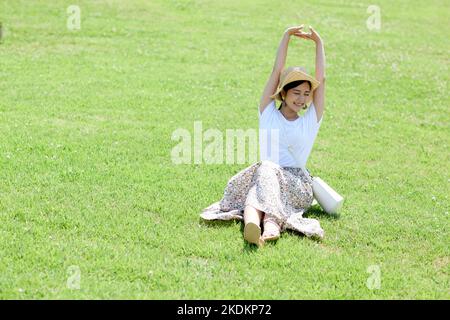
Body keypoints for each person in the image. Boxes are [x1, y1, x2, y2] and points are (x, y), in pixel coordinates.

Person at [200, 25, 326, 247]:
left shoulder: (310, 121)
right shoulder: (268, 114)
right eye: (296, 92)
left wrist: (319, 43)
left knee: (265, 170)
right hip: (266, 178)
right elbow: (276, 71)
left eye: (306, 94)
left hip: (297, 184)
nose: (301, 99)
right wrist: (286, 35)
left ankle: (269, 225)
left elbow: (321, 80)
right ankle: (253, 226)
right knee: (260, 181)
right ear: (283, 94)